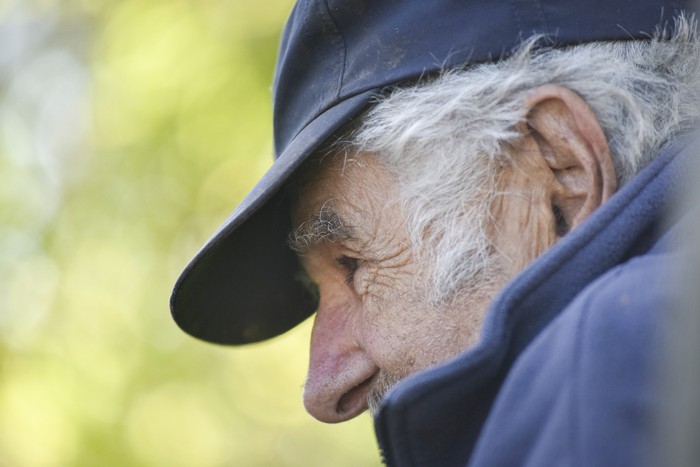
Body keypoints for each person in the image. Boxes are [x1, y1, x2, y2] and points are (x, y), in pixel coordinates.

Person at [171, 1, 700, 465]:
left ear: (559, 175)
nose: (323, 388)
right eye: (318, 295)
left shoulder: (609, 368)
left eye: (353, 264)